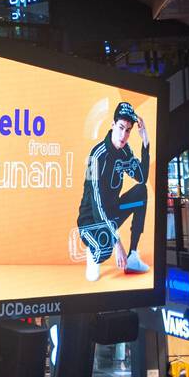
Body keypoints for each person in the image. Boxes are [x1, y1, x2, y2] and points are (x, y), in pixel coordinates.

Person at [78, 101, 151, 282]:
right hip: (92, 220)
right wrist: (117, 241)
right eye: (120, 127)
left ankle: (133, 255)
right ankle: (93, 251)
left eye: (128, 130)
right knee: (106, 247)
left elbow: (141, 178)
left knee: (141, 192)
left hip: (112, 213)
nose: (123, 135)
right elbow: (97, 205)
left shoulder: (125, 151)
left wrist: (145, 142)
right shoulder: (96, 156)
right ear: (112, 125)